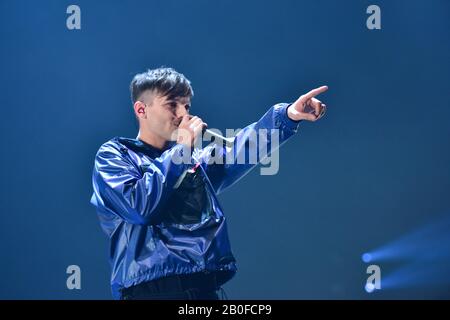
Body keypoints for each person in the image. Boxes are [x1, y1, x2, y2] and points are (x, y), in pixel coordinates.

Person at [90, 67, 328, 300]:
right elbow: (139, 206)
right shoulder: (114, 155)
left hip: (203, 289)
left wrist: (286, 116)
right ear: (141, 109)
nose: (184, 114)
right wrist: (182, 149)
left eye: (187, 106)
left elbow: (240, 151)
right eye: (172, 104)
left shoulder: (190, 160)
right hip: (150, 291)